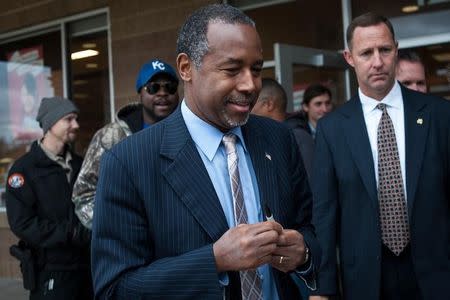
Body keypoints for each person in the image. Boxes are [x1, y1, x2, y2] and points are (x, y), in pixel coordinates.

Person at [91, 4, 319, 299]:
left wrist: (303, 253)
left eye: (257, 69)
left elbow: (308, 228)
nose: (250, 85)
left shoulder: (278, 138)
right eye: (232, 69)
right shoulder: (128, 163)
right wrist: (214, 261)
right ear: (186, 68)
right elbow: (115, 289)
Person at [310, 12, 450, 300]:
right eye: (366, 53)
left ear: (396, 50)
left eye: (385, 50)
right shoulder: (332, 129)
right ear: (349, 58)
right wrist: (323, 289)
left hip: (436, 274)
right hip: (366, 279)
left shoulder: (438, 115)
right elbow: (324, 214)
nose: (377, 62)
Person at [72, 59, 179, 229]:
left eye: (170, 87)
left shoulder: (190, 132)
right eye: (153, 87)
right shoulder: (112, 137)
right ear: (140, 93)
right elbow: (84, 194)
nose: (162, 93)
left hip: (181, 242)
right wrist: (117, 232)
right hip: (132, 245)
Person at [6, 97, 92, 300]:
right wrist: (69, 233)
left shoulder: (81, 164)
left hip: (86, 270)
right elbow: (22, 223)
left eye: (76, 119)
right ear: (51, 123)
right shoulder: (24, 169)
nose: (76, 125)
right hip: (51, 273)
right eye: (69, 119)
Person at [252, 77, 314, 177]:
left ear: (268, 104)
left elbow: (310, 185)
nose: (248, 108)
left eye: (252, 102)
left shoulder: (297, 137)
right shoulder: (270, 134)